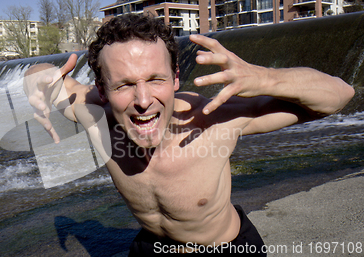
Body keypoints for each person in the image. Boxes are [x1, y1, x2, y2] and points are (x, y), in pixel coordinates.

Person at [24, 14, 354, 256]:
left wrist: (264, 78)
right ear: (102, 89)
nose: (142, 101)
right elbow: (43, 77)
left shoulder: (214, 120)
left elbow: (340, 94)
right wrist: (36, 80)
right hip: (151, 245)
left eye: (155, 79)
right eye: (125, 84)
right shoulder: (94, 113)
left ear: (176, 77)